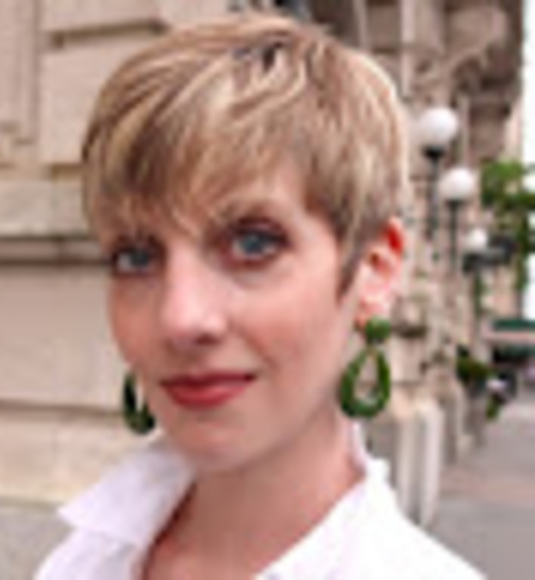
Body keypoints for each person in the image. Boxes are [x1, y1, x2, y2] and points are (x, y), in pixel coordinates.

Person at [36, 12, 484, 580]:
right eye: (136, 257)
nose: (180, 317)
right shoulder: (88, 556)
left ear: (374, 269)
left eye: (253, 244)